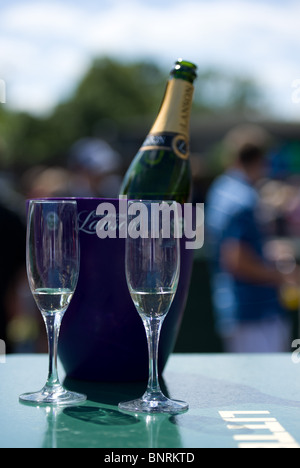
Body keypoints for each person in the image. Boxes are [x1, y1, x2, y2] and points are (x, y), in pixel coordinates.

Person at [206, 124, 295, 353]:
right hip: (253, 315)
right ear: (261, 159)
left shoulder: (221, 189)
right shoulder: (243, 200)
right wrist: (283, 276)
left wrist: (268, 251)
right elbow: (235, 260)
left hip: (236, 310)